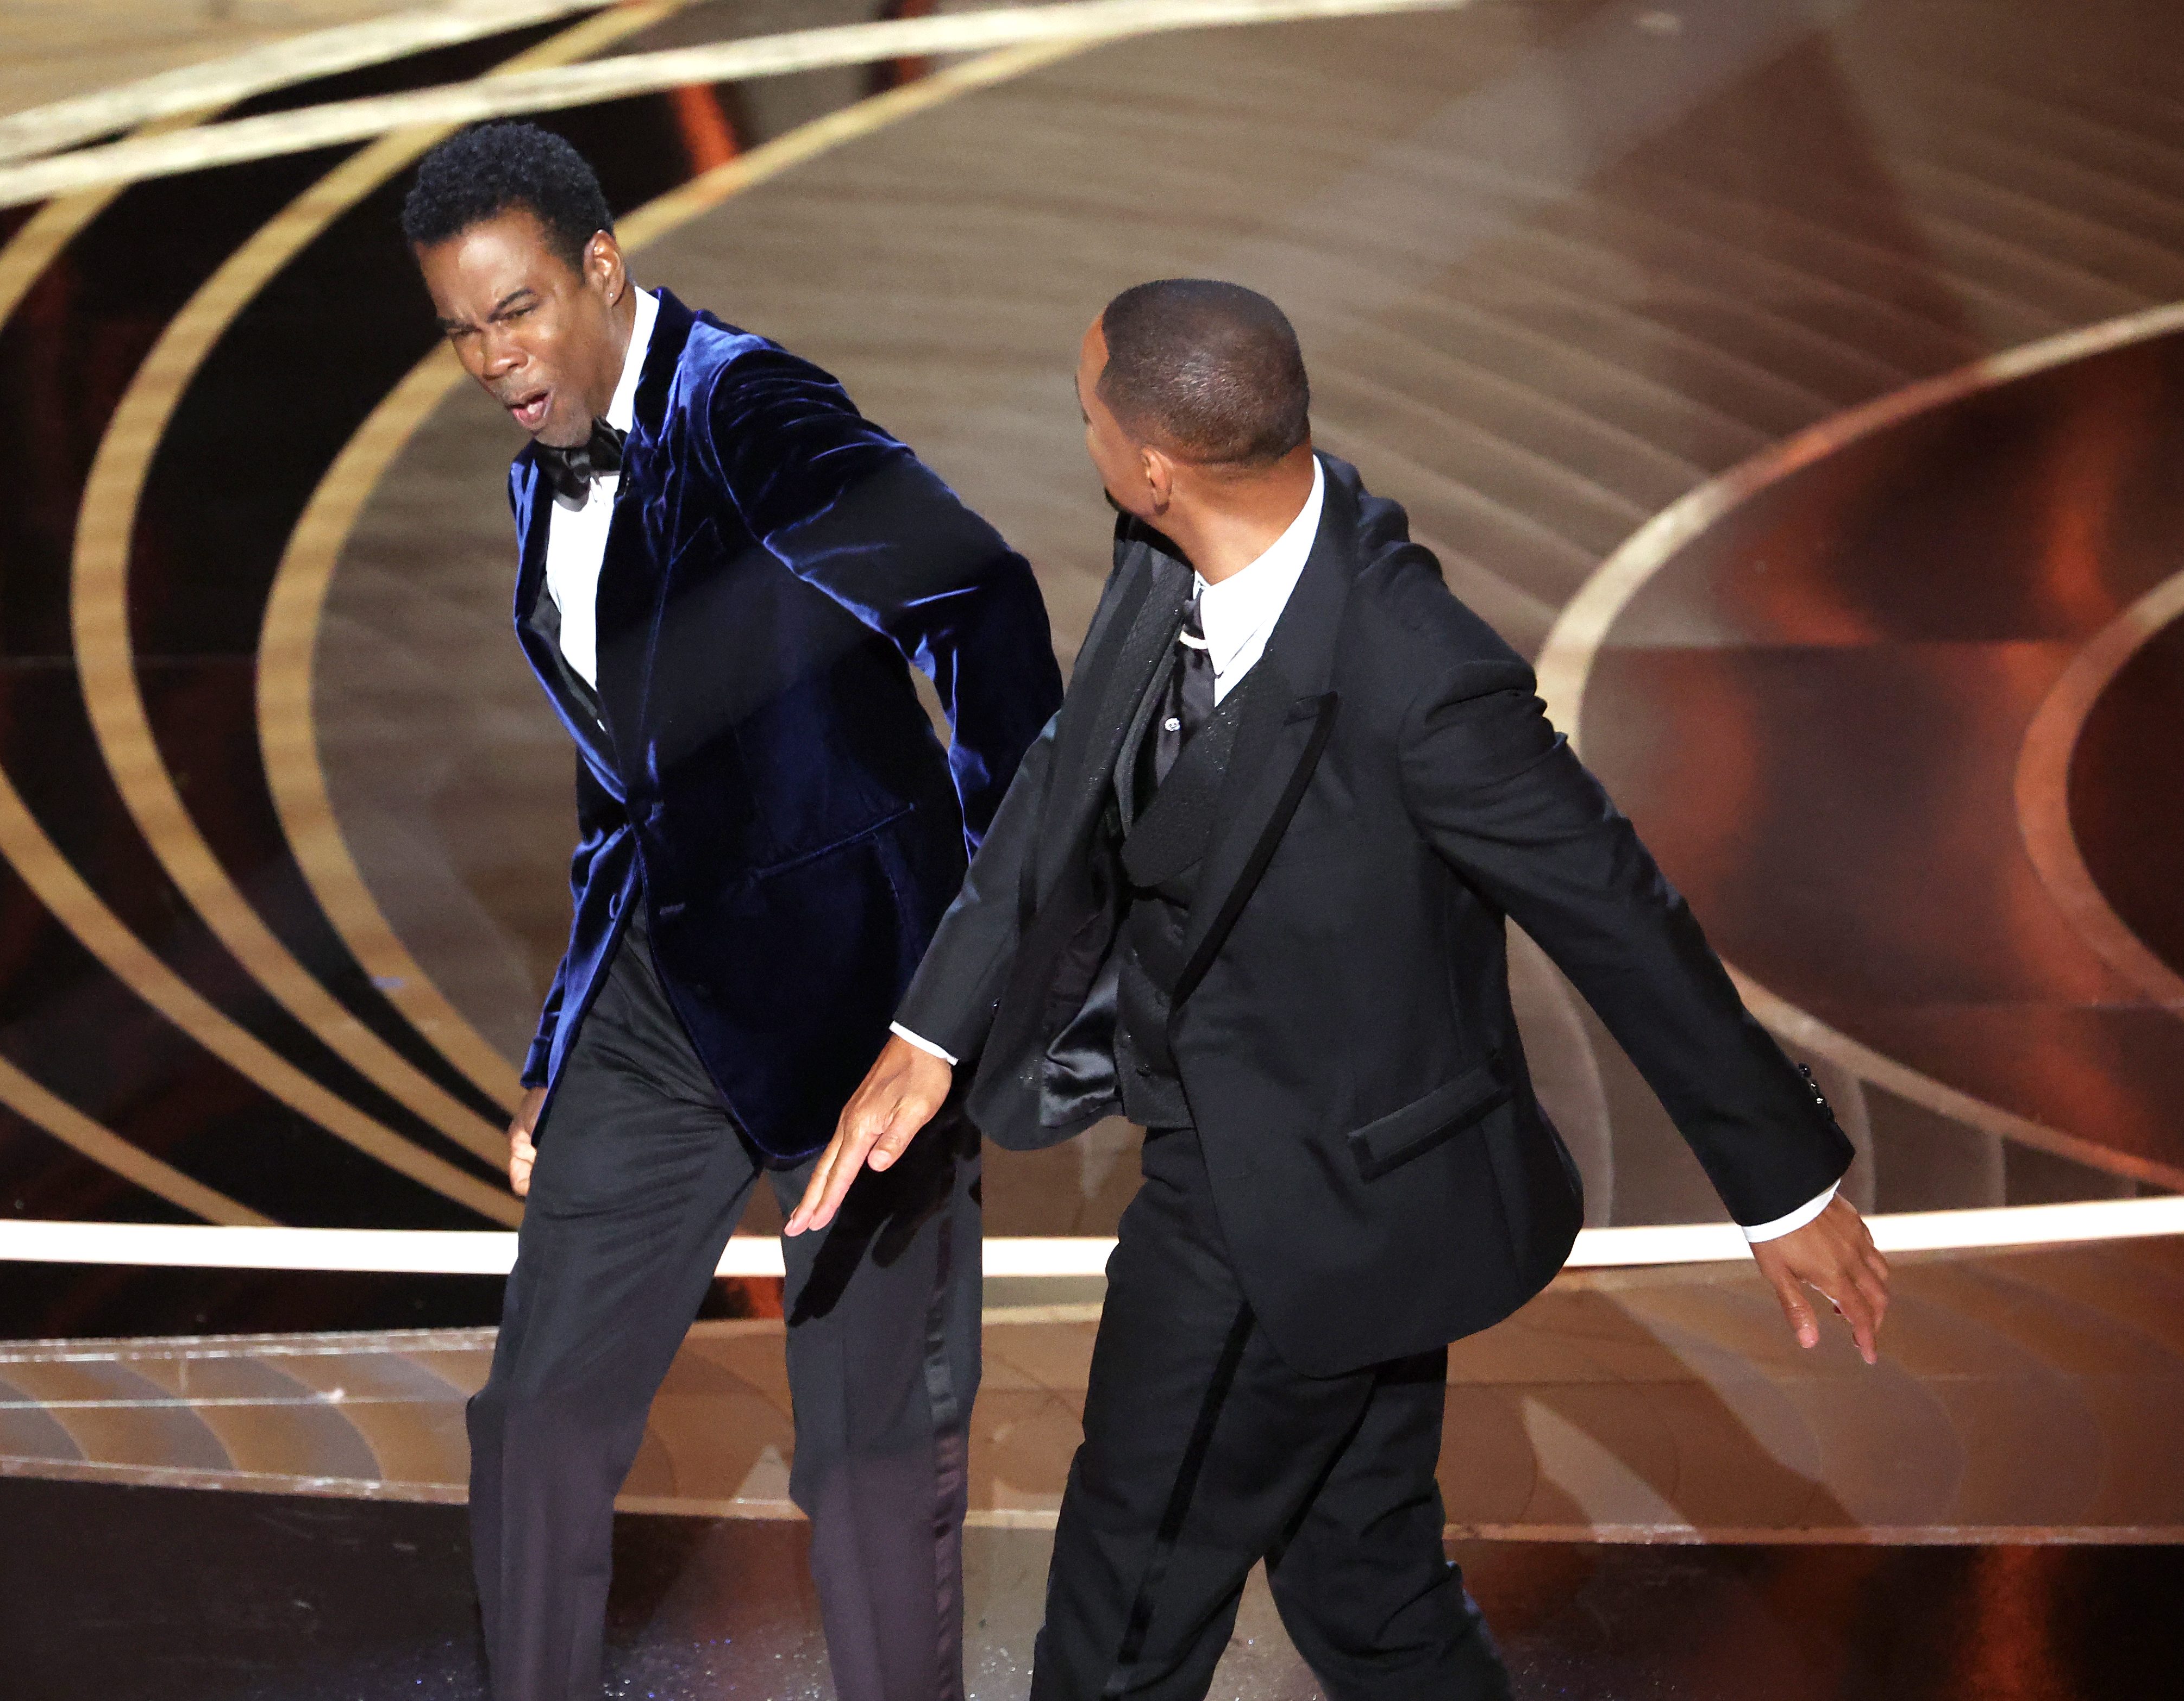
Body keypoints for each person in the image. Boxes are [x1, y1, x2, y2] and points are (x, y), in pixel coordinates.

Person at [789, 279, 1891, 1700]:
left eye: (1085, 416)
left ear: (1152, 462)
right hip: (1286, 1171)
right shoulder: (1162, 549)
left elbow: (1618, 912)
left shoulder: (1424, 679)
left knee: (1125, 1603)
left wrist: (1784, 1187)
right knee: (1363, 1586)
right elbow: (1071, 771)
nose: (1084, 441)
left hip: (1293, 1199)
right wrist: (930, 1025)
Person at [402, 121, 1061, 1701]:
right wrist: (560, 1038)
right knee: (541, 1418)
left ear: (601, 269)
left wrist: (971, 965)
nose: (492, 360)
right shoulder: (540, 473)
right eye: (459, 330)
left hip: (860, 1011)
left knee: (865, 1458)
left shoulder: (750, 410)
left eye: (516, 311)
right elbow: (624, 779)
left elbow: (982, 603)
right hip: (662, 991)